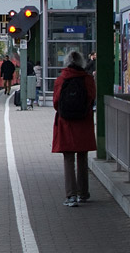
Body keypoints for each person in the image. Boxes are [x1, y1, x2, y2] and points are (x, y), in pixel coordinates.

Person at [52, 50, 96, 207]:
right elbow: (91, 98)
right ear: (81, 62)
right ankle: (83, 193)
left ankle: (71, 195)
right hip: (84, 122)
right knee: (82, 157)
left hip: (66, 123)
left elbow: (56, 102)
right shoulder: (88, 79)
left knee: (68, 157)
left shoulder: (61, 79)